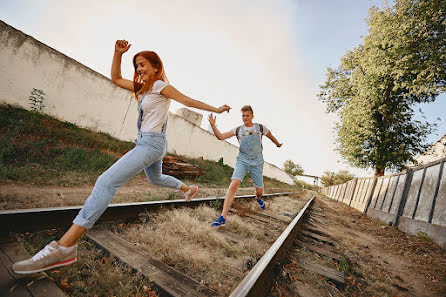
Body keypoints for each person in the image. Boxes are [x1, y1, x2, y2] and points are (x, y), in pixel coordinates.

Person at [12, 40, 231, 274]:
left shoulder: (160, 86)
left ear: (157, 67)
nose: (138, 70)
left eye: (143, 65)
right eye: (136, 66)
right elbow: (116, 78)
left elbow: (187, 101)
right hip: (152, 143)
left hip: (151, 144)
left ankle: (65, 247)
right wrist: (117, 54)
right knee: (155, 179)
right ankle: (187, 189)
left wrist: (216, 110)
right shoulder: (143, 89)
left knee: (106, 182)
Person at [208, 105, 282, 227]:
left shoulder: (260, 128)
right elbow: (221, 137)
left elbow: (271, 136)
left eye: (247, 115)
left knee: (260, 191)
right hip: (242, 161)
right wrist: (213, 125)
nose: (245, 118)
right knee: (234, 185)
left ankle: (258, 198)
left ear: (252, 116)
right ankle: (222, 218)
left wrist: (278, 144)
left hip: (257, 162)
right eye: (243, 115)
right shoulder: (238, 130)